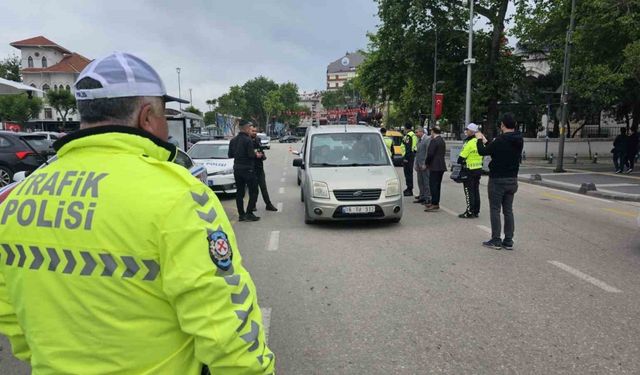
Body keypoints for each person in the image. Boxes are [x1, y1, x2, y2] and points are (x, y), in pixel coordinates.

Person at [0, 52, 274, 373]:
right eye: (163, 117)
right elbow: (225, 321)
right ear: (146, 117)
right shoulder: (177, 194)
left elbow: (10, 314)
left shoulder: (19, 197)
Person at [476, 113, 524, 250]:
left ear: (502, 125)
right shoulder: (519, 139)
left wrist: (479, 140)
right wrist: (487, 141)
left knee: (495, 209)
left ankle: (496, 239)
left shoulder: (500, 139)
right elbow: (496, 149)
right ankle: (508, 240)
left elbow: (482, 152)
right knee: (508, 210)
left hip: (498, 179)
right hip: (512, 178)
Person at [228, 120, 262, 222]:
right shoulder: (248, 140)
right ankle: (249, 213)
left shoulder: (233, 140)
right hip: (248, 169)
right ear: (247, 128)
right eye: (249, 128)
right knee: (254, 191)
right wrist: (257, 155)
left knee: (240, 192)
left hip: (237, 168)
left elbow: (230, 155)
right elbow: (251, 155)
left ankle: (241, 215)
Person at [457, 123, 484, 218]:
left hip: (469, 170)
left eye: (467, 130)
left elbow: (461, 158)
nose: (466, 131)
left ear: (472, 131)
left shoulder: (468, 143)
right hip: (478, 169)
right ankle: (476, 211)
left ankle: (469, 211)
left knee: (468, 191)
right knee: (476, 190)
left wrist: (460, 160)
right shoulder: (479, 142)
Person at [250, 127, 278, 212]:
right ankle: (253, 205)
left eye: (255, 131)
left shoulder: (258, 139)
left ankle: (268, 204)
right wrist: (255, 155)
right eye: (252, 131)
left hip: (259, 167)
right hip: (251, 168)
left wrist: (262, 155)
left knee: (263, 187)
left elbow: (261, 150)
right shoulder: (247, 141)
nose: (254, 132)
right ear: (248, 131)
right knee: (254, 189)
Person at [424, 126, 446, 212]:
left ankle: (434, 203)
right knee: (437, 185)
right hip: (441, 165)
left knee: (433, 185)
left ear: (433, 132)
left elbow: (430, 154)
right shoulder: (441, 140)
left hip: (434, 166)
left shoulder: (434, 141)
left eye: (431, 132)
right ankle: (435, 202)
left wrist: (426, 163)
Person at [413, 127, 431, 205]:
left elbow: (428, 152)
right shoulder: (418, 140)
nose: (416, 134)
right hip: (419, 164)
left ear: (421, 132)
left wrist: (425, 164)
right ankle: (422, 196)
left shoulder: (427, 139)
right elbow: (417, 153)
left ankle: (427, 198)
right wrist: (416, 164)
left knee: (426, 182)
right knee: (420, 181)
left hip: (424, 165)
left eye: (417, 132)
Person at [402, 123, 418, 196]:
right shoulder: (413, 135)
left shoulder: (409, 136)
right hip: (411, 156)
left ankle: (409, 189)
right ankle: (409, 188)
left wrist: (406, 158)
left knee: (408, 173)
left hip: (408, 157)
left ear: (406, 128)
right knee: (409, 173)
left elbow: (408, 147)